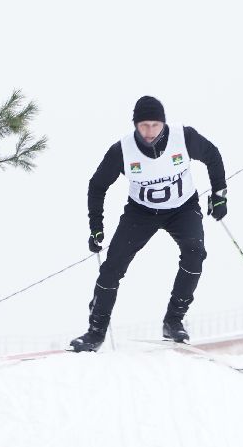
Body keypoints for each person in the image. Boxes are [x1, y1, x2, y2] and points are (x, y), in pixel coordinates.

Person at [70, 96, 227, 352]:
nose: (150, 132)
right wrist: (95, 227)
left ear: (163, 123)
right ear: (135, 125)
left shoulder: (183, 137)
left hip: (183, 208)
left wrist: (219, 196)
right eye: (144, 126)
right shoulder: (121, 150)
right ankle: (95, 332)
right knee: (112, 268)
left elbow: (212, 155)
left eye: (155, 125)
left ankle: (173, 321)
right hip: (140, 213)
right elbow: (96, 186)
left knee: (195, 253)